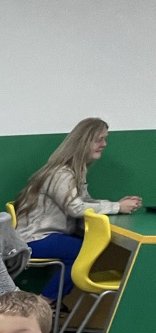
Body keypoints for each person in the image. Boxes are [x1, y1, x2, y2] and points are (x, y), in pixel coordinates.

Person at [13, 118, 142, 304]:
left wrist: (117, 204)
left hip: (40, 237)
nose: (104, 144)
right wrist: (117, 207)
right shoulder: (61, 174)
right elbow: (75, 208)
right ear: (84, 141)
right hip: (33, 240)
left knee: (83, 246)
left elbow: (85, 201)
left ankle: (50, 302)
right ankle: (44, 303)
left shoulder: (73, 171)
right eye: (99, 139)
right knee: (83, 250)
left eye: (105, 139)